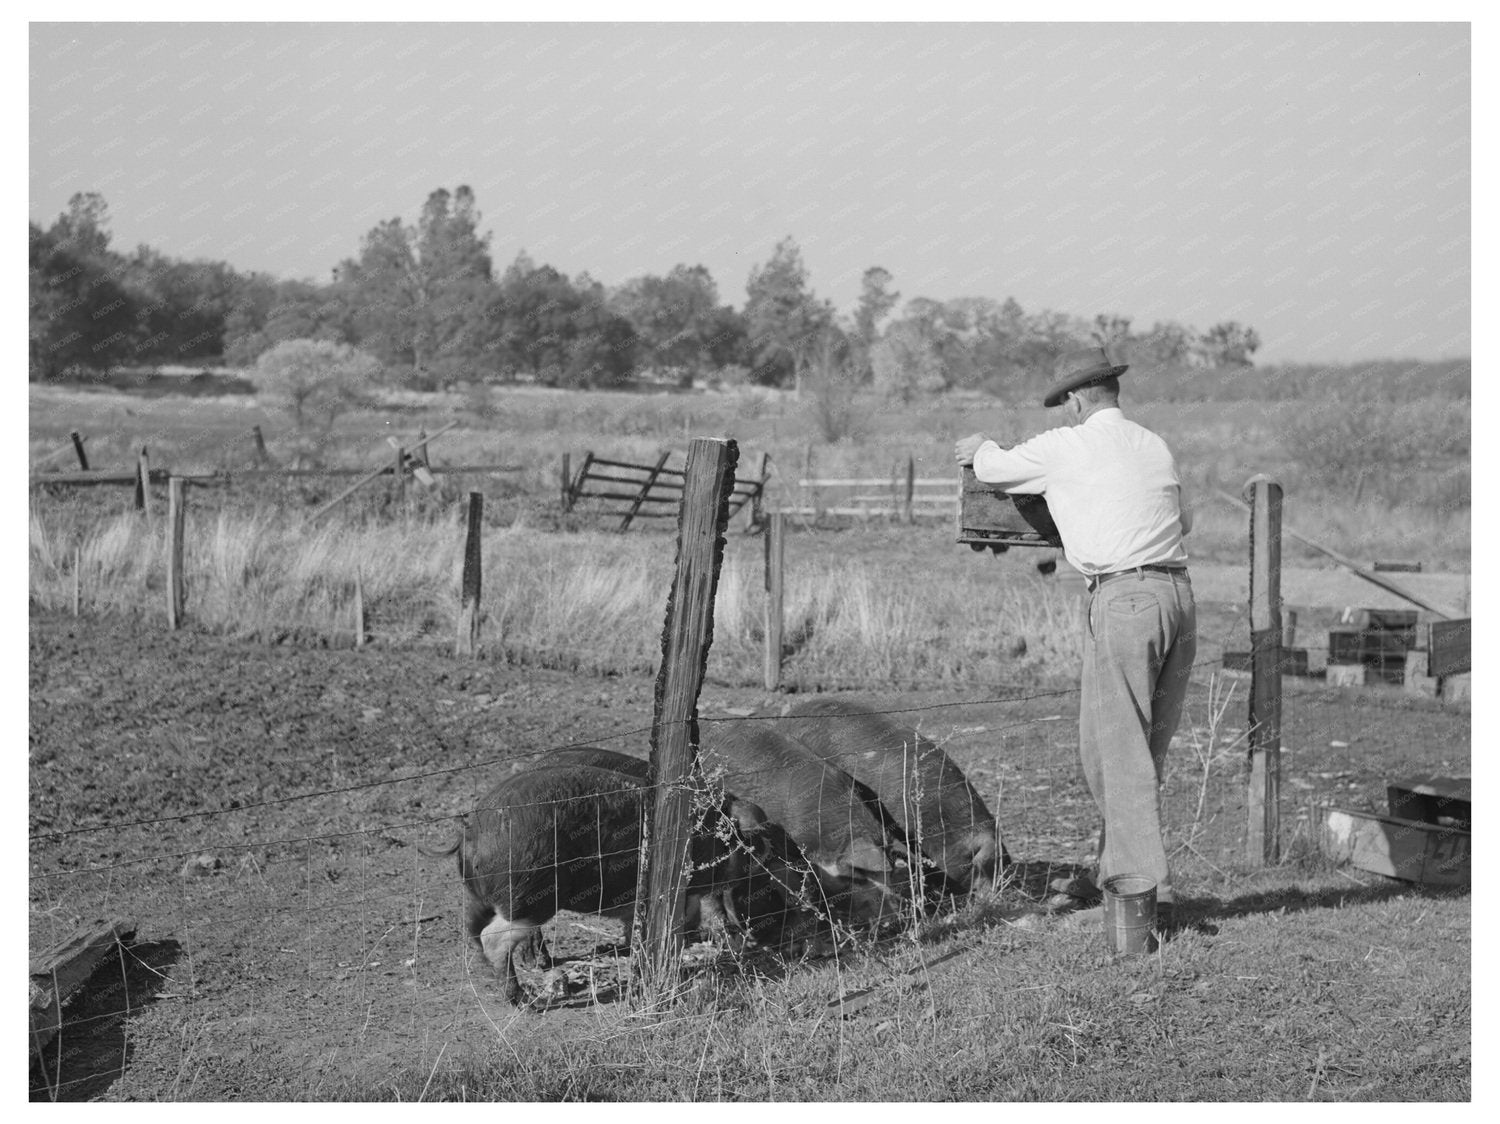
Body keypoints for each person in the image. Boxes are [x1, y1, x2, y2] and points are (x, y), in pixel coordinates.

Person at [954, 346, 1196, 924]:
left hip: (1125, 599)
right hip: (1178, 596)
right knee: (1120, 749)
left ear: (1076, 399)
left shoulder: (1067, 445)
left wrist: (978, 446)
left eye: (1064, 403)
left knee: (1120, 754)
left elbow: (992, 468)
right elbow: (1182, 520)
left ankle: (1143, 901)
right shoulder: (1152, 444)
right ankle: (1117, 872)